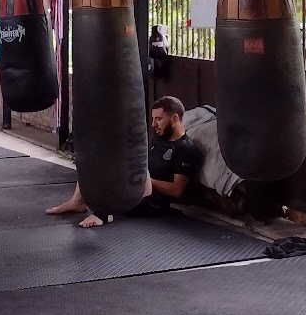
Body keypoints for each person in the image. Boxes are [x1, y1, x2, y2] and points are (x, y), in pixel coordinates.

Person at [48, 94, 202, 228]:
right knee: (101, 154)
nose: (154, 124)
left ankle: (103, 214)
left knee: (123, 168)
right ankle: (77, 201)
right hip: (138, 185)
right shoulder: (160, 139)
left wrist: (144, 176)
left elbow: (177, 190)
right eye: (153, 119)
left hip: (153, 202)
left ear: (175, 119)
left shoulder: (185, 149)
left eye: (159, 119)